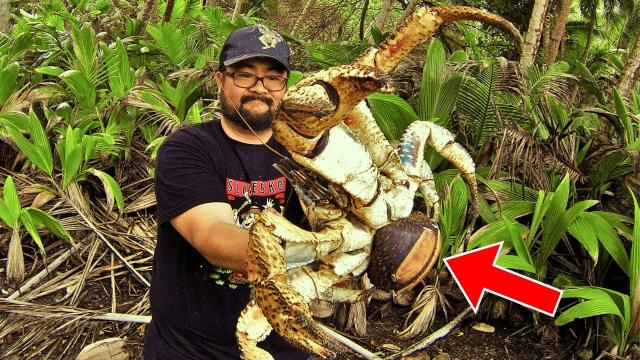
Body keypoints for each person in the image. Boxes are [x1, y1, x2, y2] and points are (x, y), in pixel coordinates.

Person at [143, 24, 311, 360]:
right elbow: (213, 238)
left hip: (285, 343)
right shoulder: (188, 148)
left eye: (272, 78)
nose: (259, 88)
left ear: (285, 87)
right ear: (221, 80)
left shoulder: (309, 154)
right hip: (189, 349)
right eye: (245, 75)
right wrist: (331, 249)